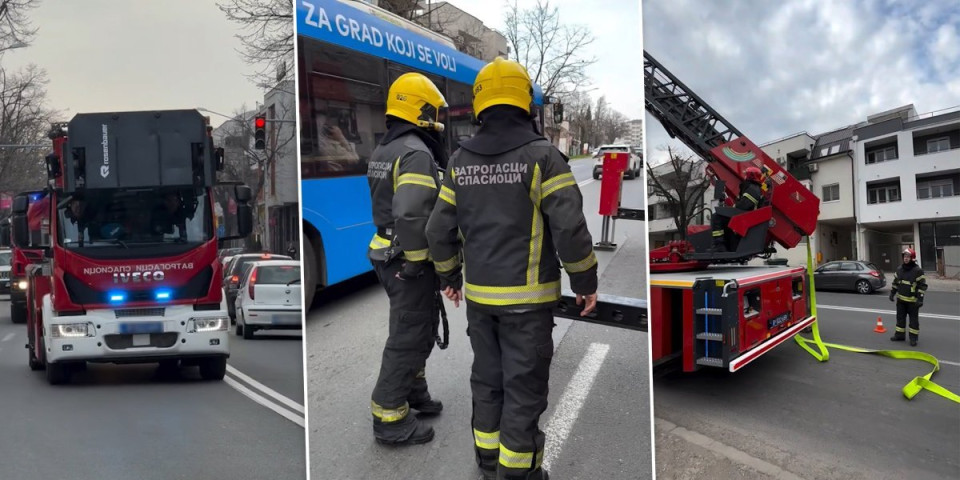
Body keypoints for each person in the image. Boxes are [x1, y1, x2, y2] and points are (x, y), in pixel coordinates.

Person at [426, 57, 598, 480]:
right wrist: (585, 281)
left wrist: (449, 277)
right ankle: (518, 473)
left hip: (481, 303)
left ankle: (487, 459)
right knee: (523, 389)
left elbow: (436, 230)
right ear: (525, 102)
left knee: (487, 381)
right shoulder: (543, 157)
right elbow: (570, 228)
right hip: (529, 304)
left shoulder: (459, 161)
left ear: (481, 104)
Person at [366, 72, 449, 446]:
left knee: (419, 327)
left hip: (386, 251)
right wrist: (419, 261)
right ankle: (390, 415)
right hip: (407, 259)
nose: (438, 118)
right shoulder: (415, 152)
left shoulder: (385, 149)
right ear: (420, 109)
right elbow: (414, 214)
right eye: (433, 110)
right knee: (409, 334)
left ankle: (415, 393)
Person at [710, 166, 765, 252]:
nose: (745, 177)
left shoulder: (753, 189)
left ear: (750, 176)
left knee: (717, 217)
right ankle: (723, 246)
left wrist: (728, 210)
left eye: (746, 175)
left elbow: (743, 206)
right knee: (721, 217)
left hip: (746, 218)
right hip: (745, 217)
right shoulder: (752, 188)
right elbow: (742, 205)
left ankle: (719, 245)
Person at [889, 247, 927, 346]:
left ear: (912, 258)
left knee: (913, 321)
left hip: (913, 302)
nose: (906, 258)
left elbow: (922, 286)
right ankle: (899, 335)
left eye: (908, 257)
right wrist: (892, 293)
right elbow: (895, 283)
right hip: (901, 300)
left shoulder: (918, 271)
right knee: (900, 319)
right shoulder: (899, 269)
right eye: (904, 256)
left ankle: (913, 338)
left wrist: (920, 299)